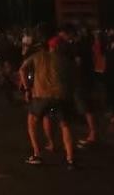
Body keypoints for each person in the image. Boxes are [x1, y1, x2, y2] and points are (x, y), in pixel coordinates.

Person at [19, 36, 78, 168]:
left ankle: (37, 154)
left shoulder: (38, 56)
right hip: (62, 96)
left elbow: (22, 69)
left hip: (41, 95)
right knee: (65, 125)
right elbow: (74, 79)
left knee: (32, 122)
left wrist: (27, 88)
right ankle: (70, 159)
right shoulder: (66, 61)